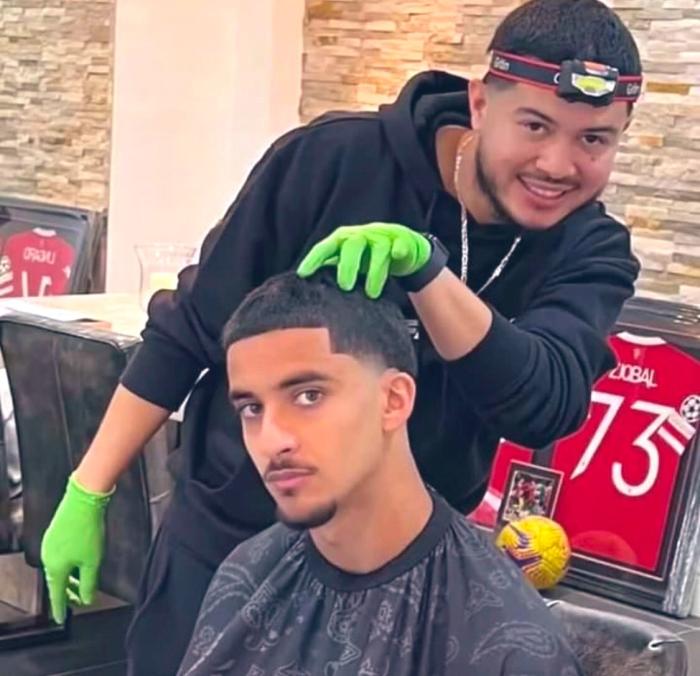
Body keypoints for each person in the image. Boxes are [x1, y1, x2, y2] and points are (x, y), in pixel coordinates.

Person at [40, 0, 642, 672]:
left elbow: (543, 404)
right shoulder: (333, 161)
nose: (558, 164)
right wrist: (88, 490)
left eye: (594, 140)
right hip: (231, 540)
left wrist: (428, 275)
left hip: (406, 581)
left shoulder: (589, 250)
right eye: (535, 126)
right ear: (479, 104)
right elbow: (189, 330)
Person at [177, 270, 583, 676]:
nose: (271, 440)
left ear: (393, 400)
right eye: (252, 408)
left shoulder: (507, 647)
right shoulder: (247, 573)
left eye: (309, 396)